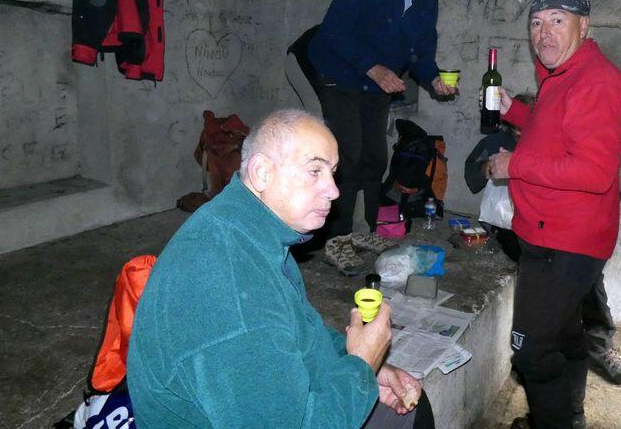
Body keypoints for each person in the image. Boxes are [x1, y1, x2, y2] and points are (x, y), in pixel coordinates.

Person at [127, 109, 434, 428]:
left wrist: (360, 366)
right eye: (314, 171)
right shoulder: (231, 293)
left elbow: (299, 331)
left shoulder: (251, 228)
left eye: (332, 172)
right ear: (262, 172)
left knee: (412, 405)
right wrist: (362, 366)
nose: (334, 191)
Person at [487, 0, 621, 429]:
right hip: (551, 231)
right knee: (567, 335)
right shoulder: (563, 73)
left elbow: (594, 171)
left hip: (565, 242)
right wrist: (515, 112)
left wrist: (514, 165)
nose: (543, 33)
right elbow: (556, 131)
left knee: (531, 349)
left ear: (583, 26)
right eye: (536, 23)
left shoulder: (597, 82)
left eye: (557, 20)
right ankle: (569, 416)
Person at [308, 0, 456, 274]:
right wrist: (372, 67)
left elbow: (421, 47)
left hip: (376, 80)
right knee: (347, 155)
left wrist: (433, 78)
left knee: (375, 156)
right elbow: (335, 30)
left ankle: (366, 231)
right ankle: (336, 240)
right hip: (337, 69)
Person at [464, 97, 621, 388]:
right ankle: (532, 356)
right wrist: (491, 167)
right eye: (517, 126)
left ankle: (599, 347)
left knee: (587, 281)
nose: (523, 130)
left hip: (551, 227)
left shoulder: (554, 144)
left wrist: (524, 166)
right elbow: (472, 172)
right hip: (508, 228)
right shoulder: (496, 141)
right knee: (539, 281)